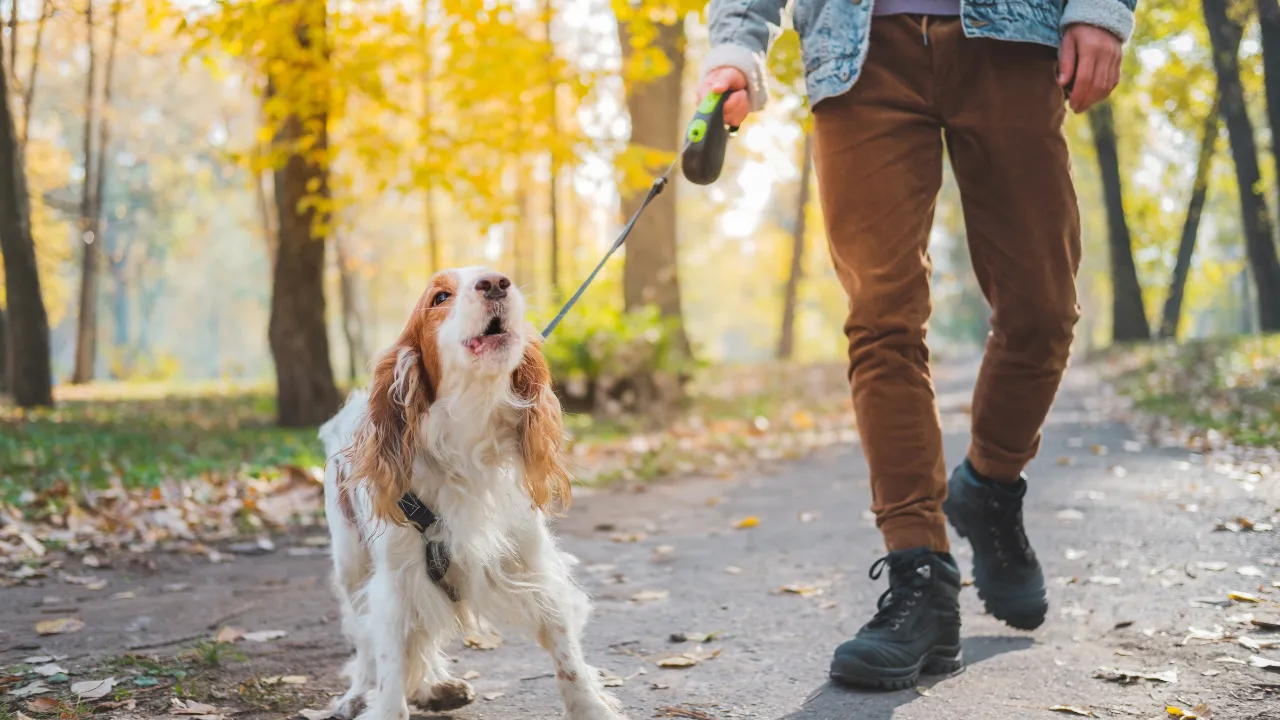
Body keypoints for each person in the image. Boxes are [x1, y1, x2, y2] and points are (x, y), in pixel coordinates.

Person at [699, 0, 1135, 690]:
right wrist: (735, 42)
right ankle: (920, 576)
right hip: (856, 51)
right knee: (881, 319)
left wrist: (1101, 9)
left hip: (1011, 36)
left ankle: (990, 486)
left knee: (1042, 310)